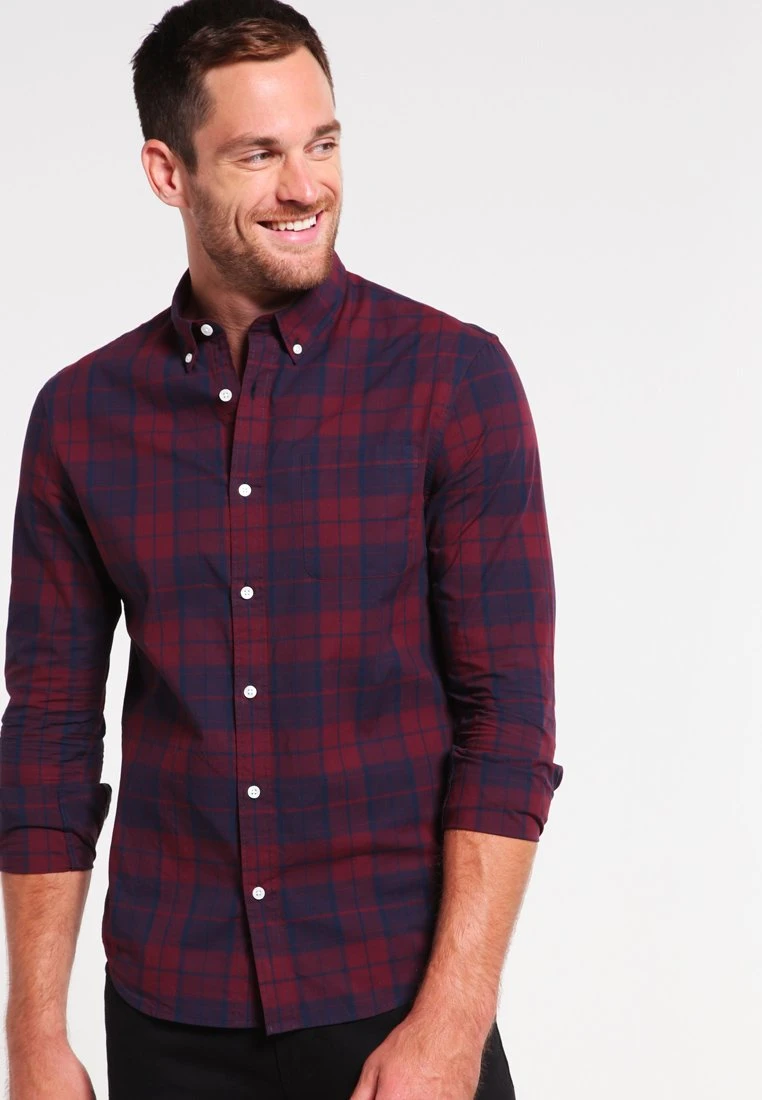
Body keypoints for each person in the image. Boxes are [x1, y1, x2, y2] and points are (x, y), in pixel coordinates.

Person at [0, 1, 564, 1096]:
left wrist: (452, 1023)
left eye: (323, 143)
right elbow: (47, 738)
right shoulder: (81, 416)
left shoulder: (453, 382)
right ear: (168, 172)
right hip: (170, 1013)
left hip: (395, 1006)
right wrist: (33, 1032)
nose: (307, 186)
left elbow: (508, 723)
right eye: (259, 154)